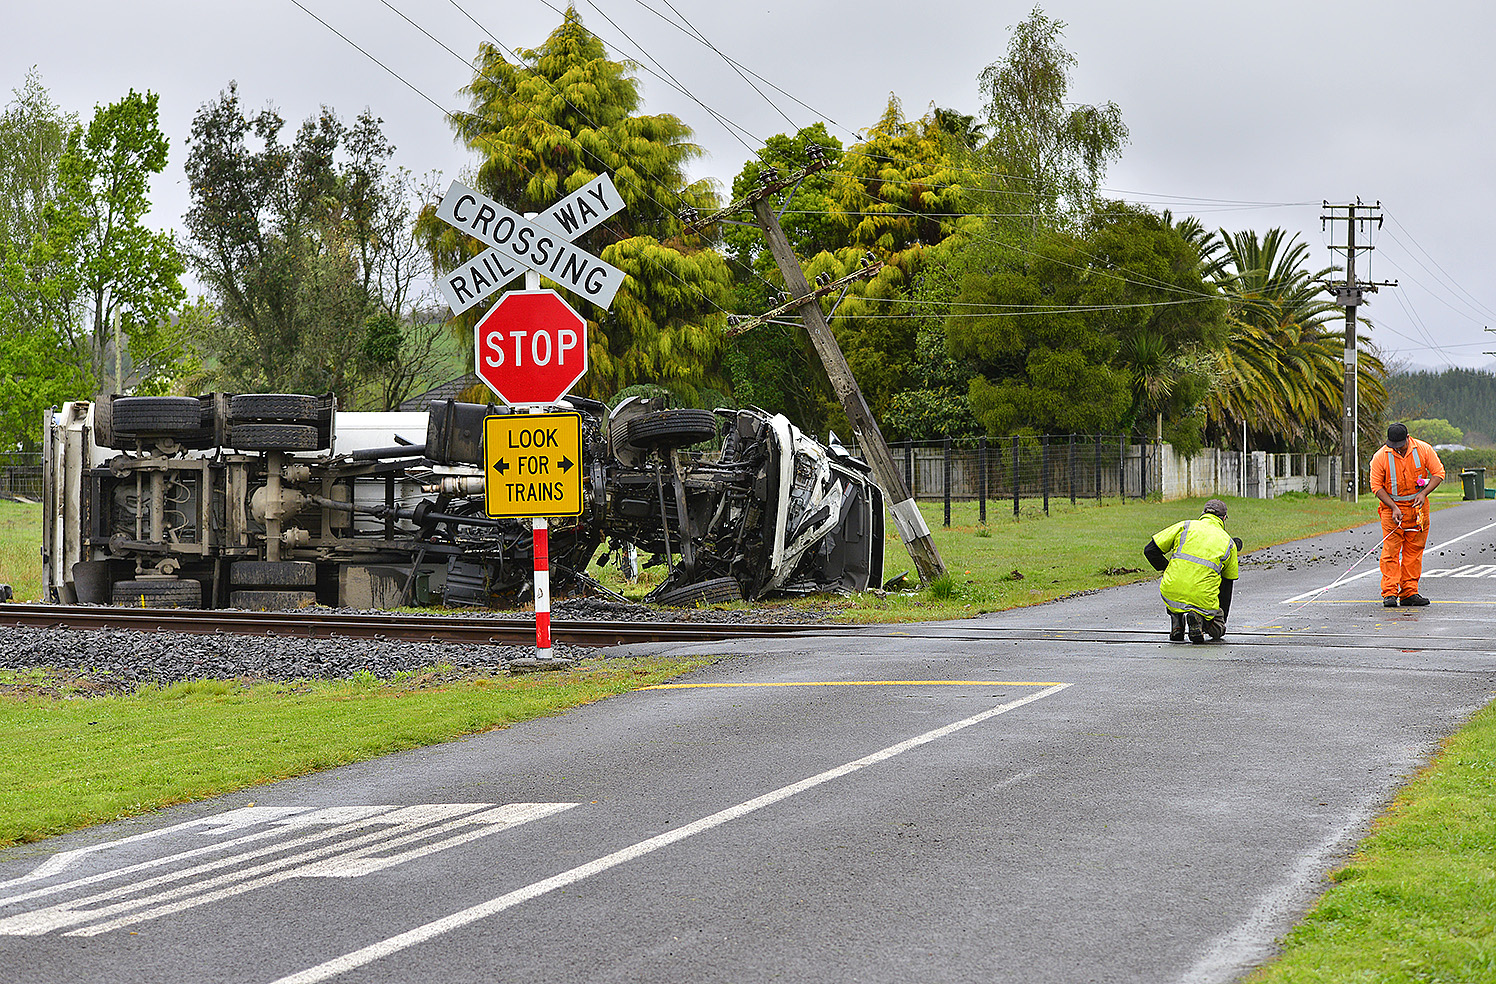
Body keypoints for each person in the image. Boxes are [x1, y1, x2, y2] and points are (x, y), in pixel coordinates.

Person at [1143, 499, 1241, 643]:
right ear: (1224, 518)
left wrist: (1168, 569)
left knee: (1179, 590)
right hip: (1202, 599)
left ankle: (1177, 624)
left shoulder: (1185, 526)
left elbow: (1150, 550)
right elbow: (1227, 586)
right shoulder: (1228, 543)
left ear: (1202, 513)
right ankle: (1199, 620)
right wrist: (1220, 618)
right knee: (1218, 630)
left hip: (1171, 593)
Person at [1369, 422, 1445, 607]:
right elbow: (1376, 486)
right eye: (1392, 445)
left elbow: (1438, 473)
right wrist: (1394, 507)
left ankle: (1409, 592)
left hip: (1418, 510)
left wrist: (1423, 493)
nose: (1396, 449)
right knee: (1390, 552)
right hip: (1391, 511)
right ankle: (1390, 593)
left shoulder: (1424, 449)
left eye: (1400, 445)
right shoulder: (1380, 456)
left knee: (1414, 551)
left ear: (1407, 439)